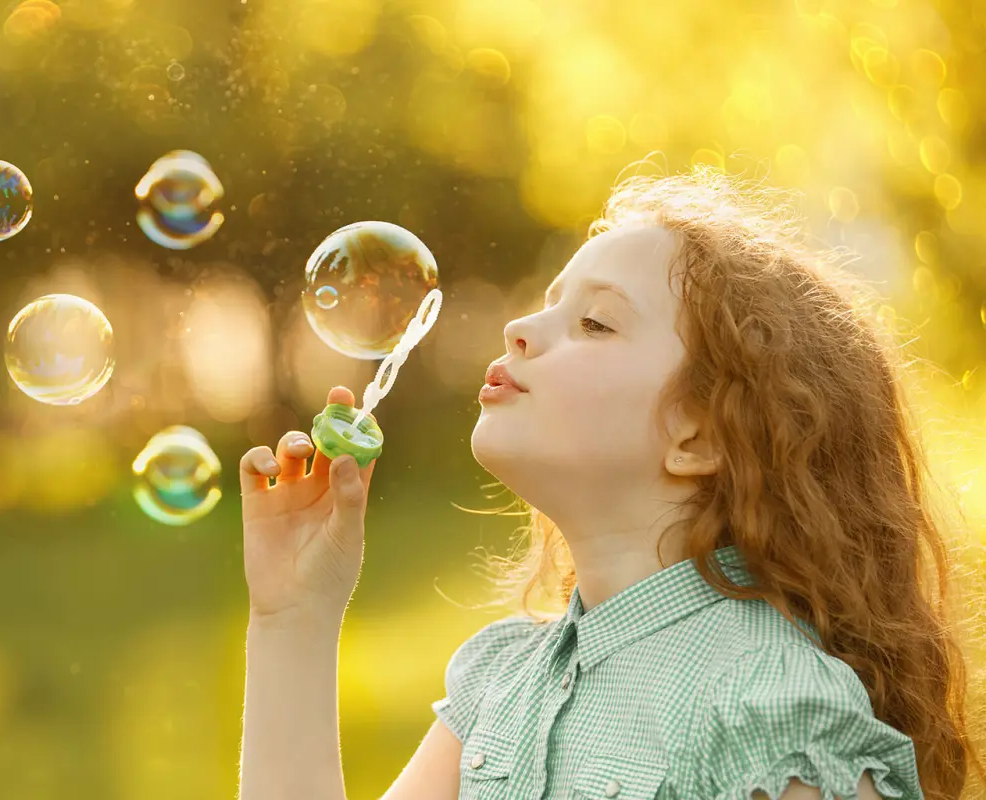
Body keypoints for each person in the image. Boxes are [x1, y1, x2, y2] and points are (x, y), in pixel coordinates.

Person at [235, 167, 984, 800]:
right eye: (547, 300)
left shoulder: (765, 707)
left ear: (698, 434)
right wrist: (294, 616)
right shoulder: (498, 687)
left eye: (595, 323)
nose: (520, 327)